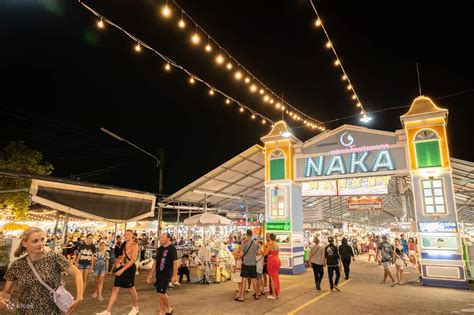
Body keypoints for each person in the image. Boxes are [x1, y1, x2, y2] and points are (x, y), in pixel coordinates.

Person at [0, 227, 83, 315]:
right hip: (25, 311)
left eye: (42, 240)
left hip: (50, 311)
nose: (40, 244)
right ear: (24, 243)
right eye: (35, 241)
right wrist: (2, 299)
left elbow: (77, 273)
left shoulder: (53, 257)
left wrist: (79, 296)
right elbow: (6, 292)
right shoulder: (17, 265)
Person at [97, 230, 139, 315]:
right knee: (115, 288)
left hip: (129, 268)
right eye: (125, 234)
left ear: (132, 236)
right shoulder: (123, 244)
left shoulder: (134, 245)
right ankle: (108, 310)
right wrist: (117, 264)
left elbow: (133, 260)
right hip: (121, 267)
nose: (126, 235)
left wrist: (122, 270)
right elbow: (120, 256)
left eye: (128, 234)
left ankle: (135, 307)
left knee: (131, 288)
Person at [147, 233, 179, 315]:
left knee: (161, 293)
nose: (161, 239)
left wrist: (175, 275)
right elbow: (156, 262)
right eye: (160, 237)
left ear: (168, 238)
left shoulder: (172, 249)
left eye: (163, 237)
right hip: (159, 273)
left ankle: (168, 308)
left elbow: (175, 262)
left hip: (167, 273)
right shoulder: (160, 248)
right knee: (160, 293)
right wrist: (150, 274)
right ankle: (162, 311)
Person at [236, 229, 261, 301]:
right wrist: (253, 254)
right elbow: (259, 252)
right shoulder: (255, 243)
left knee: (244, 280)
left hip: (245, 264)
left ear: (246, 234)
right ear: (252, 234)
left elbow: (240, 254)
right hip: (253, 264)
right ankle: (256, 295)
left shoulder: (244, 243)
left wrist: (239, 255)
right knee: (254, 280)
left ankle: (241, 297)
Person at [264, 233, 281, 300]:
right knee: (276, 277)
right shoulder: (277, 245)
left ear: (270, 238)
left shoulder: (270, 245)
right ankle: (276, 293)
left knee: (272, 278)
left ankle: (273, 294)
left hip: (271, 261)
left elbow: (265, 253)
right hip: (277, 260)